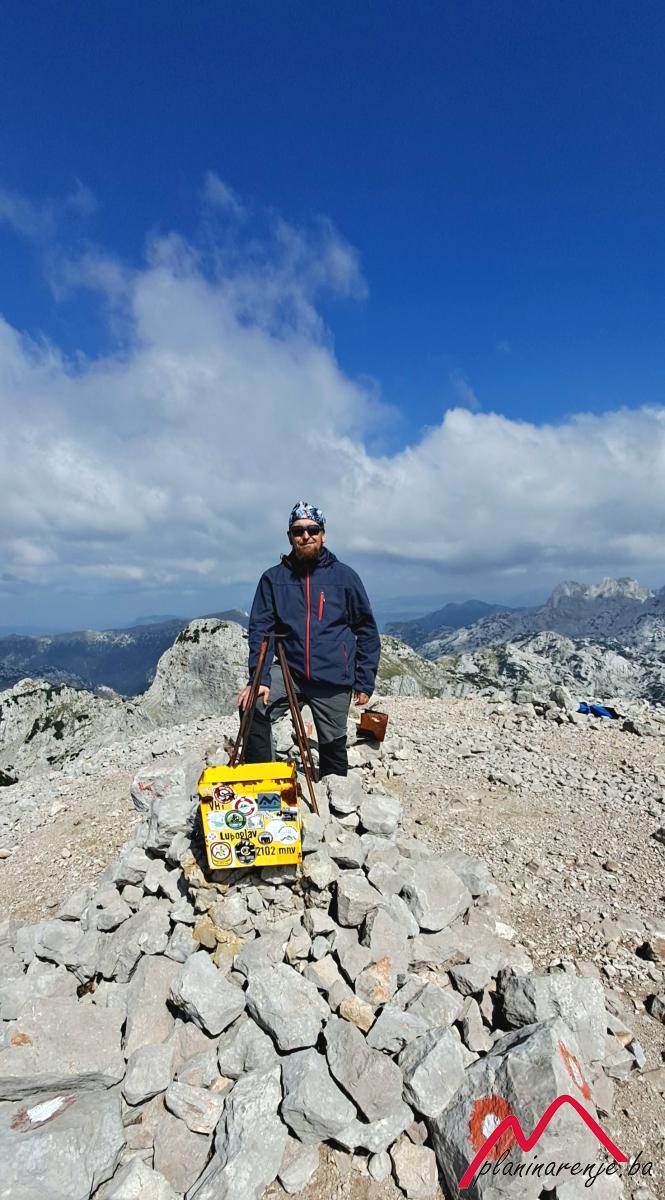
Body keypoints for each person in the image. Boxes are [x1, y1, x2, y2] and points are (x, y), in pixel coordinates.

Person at [237, 500, 381, 777]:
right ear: (290, 536)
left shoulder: (345, 577)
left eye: (313, 530)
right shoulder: (273, 579)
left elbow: (366, 630)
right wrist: (259, 678)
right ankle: (266, 780)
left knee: (333, 749)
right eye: (298, 530)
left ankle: (335, 792)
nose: (306, 536)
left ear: (323, 534)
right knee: (252, 705)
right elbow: (261, 631)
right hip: (290, 671)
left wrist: (364, 680)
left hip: (333, 677)